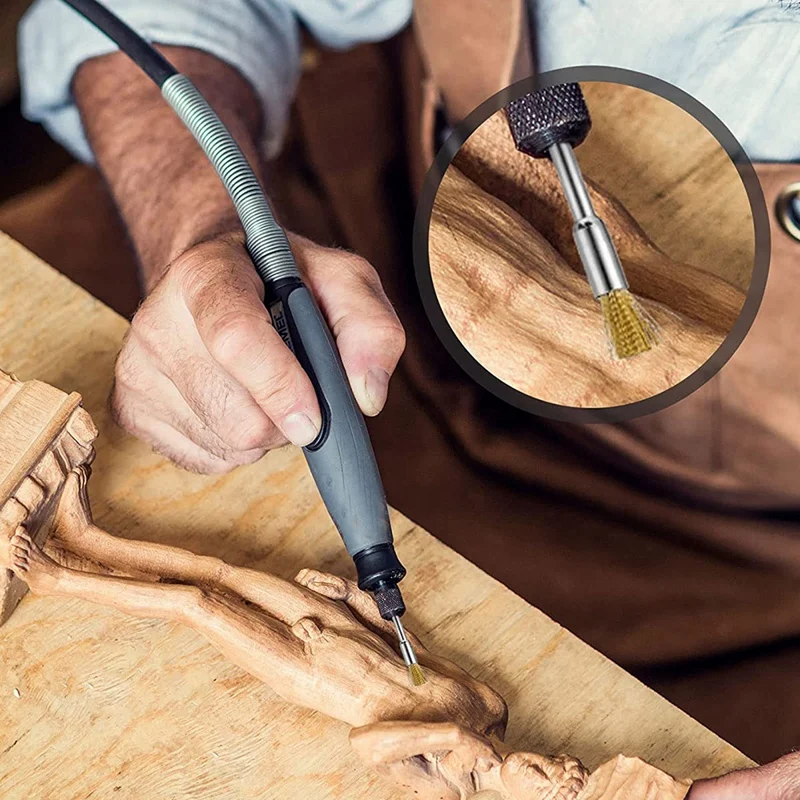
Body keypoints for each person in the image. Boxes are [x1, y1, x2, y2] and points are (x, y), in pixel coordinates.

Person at [14, 0, 800, 794]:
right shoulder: (480, 706)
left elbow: (374, 749)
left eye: (549, 784)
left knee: (201, 614)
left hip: (734, 545)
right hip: (379, 230)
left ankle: (57, 557)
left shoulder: (455, 747)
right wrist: (197, 228)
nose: (558, 773)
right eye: (565, 778)